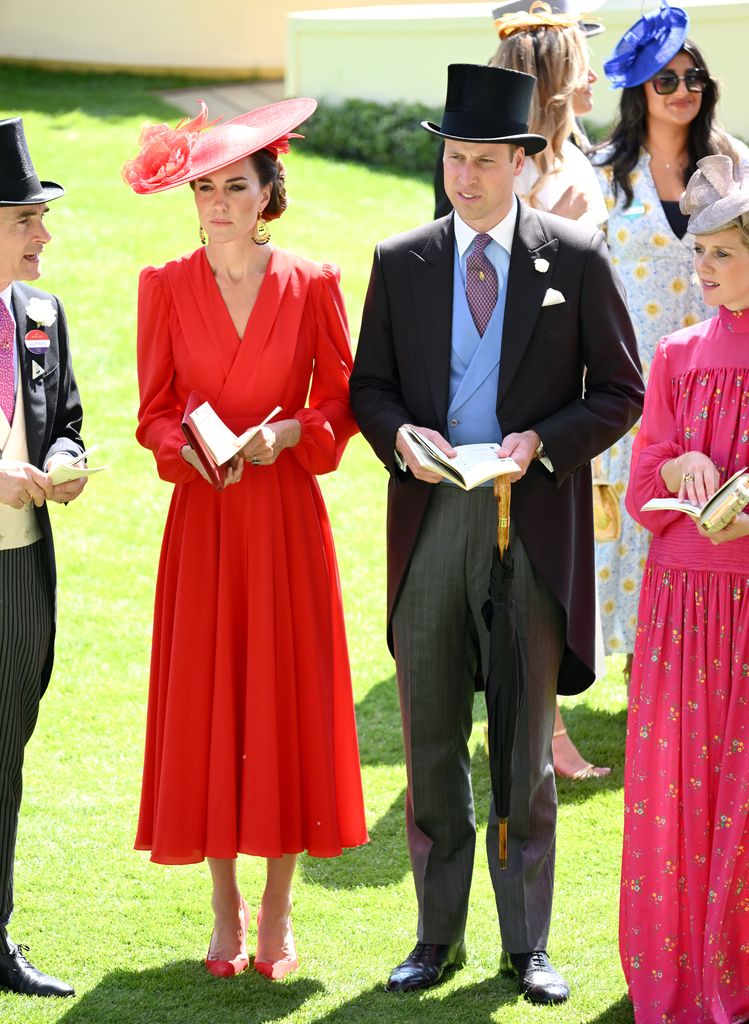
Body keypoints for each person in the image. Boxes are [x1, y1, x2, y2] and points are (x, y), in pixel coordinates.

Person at [350, 63, 643, 1005]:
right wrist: (399, 435)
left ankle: (529, 948)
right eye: (454, 160)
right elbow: (370, 388)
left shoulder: (577, 257)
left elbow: (620, 391)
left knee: (523, 752)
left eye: (485, 161)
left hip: (534, 524)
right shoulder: (401, 262)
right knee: (431, 743)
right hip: (432, 522)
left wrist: (541, 444)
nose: (465, 178)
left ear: (523, 163)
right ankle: (434, 942)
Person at [122, 98, 368, 981]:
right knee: (210, 699)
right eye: (205, 186)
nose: (218, 201)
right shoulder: (162, 285)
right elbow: (149, 413)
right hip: (205, 523)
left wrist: (291, 435)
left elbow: (340, 404)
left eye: (237, 185)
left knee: (280, 701)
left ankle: (277, 910)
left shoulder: (313, 283)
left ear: (269, 194)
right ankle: (223, 909)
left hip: (283, 525)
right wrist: (183, 446)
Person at [621, 154, 749, 1024]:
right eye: (696, 253)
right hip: (678, 605)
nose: (698, 270)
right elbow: (641, 486)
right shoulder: (674, 353)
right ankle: (678, 980)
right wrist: (681, 459)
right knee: (678, 789)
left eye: (718, 255)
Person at [592, 1, 749, 680]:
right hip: (628, 380)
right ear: (638, 91)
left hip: (720, 372)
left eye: (693, 79)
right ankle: (644, 661)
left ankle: (709, 657)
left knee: (714, 508)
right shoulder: (603, 174)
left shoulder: (732, 164)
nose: (682, 91)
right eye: (665, 80)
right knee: (637, 516)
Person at [491, 0, 612, 781]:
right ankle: (541, 729)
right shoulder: (520, 168)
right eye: (583, 63)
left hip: (582, 386)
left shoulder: (577, 162)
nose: (596, 75)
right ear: (557, 82)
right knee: (528, 562)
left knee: (561, 558)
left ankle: (542, 718)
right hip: (530, 391)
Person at [0, 117, 88, 997]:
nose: (43, 235)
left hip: (20, 569)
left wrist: (63, 461)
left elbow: (64, 416)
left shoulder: (40, 312)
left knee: (4, 751)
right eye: (26, 218)